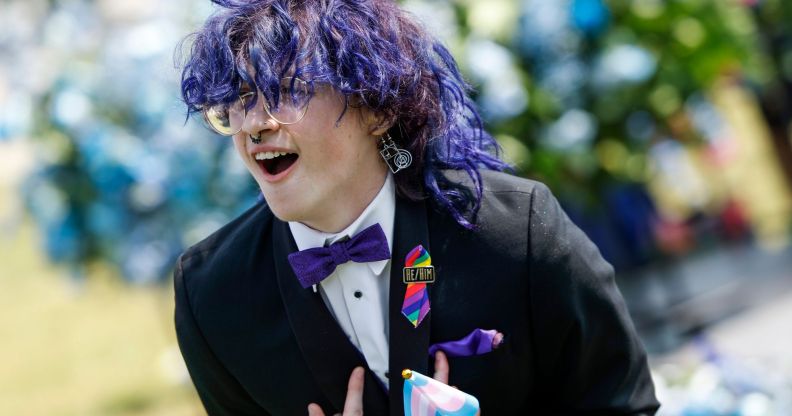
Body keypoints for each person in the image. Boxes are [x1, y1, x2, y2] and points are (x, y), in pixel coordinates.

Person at [173, 0, 660, 414]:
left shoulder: (516, 233)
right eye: (237, 98)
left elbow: (623, 403)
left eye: (288, 90)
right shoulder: (212, 296)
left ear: (379, 107)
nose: (254, 125)